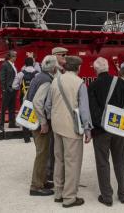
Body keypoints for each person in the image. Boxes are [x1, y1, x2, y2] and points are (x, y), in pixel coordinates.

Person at [45, 56, 92, 208]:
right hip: (72, 127)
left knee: (59, 160)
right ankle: (70, 197)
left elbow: (48, 105)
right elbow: (84, 109)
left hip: (57, 126)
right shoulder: (79, 83)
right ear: (78, 68)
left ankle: (58, 193)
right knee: (73, 162)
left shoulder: (55, 80)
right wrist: (87, 129)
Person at [88, 57, 124, 206]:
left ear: (95, 69)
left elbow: (91, 110)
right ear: (108, 67)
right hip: (118, 128)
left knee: (102, 162)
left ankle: (107, 197)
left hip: (101, 130)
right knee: (121, 160)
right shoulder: (120, 82)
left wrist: (95, 127)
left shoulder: (92, 86)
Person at [26, 55, 59, 197]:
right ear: (53, 67)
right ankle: (36, 186)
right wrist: (44, 122)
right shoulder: (46, 80)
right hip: (40, 124)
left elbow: (27, 96)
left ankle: (43, 180)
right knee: (42, 154)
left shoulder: (38, 77)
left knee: (42, 153)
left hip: (33, 121)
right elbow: (38, 102)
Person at [14, 57, 38, 143]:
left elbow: (14, 86)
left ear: (25, 64)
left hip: (24, 97)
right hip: (35, 97)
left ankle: (26, 138)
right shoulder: (37, 74)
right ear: (33, 64)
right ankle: (36, 136)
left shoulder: (21, 74)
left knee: (25, 116)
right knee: (36, 115)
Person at [0, 50, 18, 131]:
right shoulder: (5, 65)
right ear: (10, 57)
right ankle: (1, 125)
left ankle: (12, 123)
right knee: (4, 108)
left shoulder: (13, 65)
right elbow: (1, 78)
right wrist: (3, 89)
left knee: (12, 107)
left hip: (13, 90)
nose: (16, 57)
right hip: (7, 90)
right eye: (14, 56)